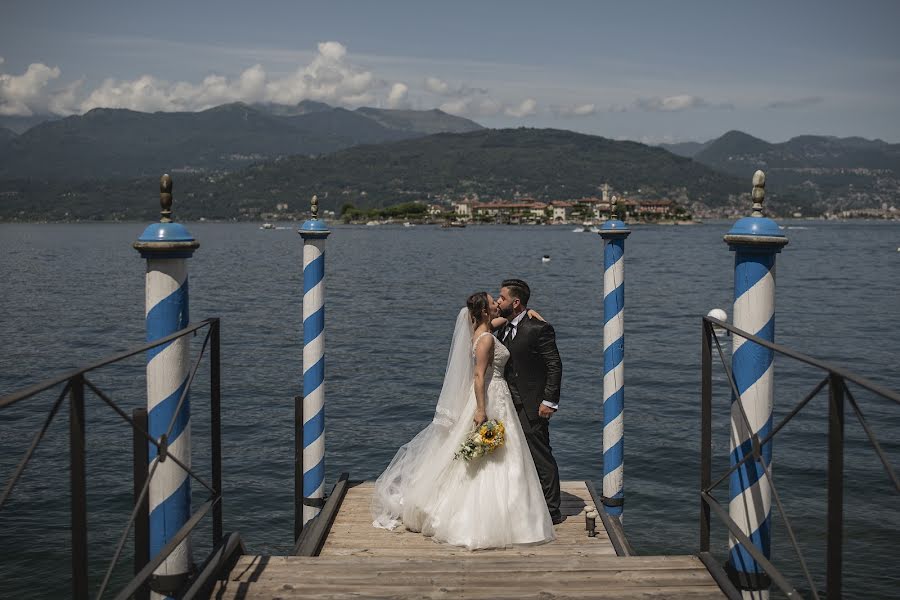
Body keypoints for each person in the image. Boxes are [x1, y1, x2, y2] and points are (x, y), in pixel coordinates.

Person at [371, 292, 555, 550]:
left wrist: (529, 314)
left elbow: (505, 321)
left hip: (495, 394)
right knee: (494, 455)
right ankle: (488, 518)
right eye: (493, 302)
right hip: (490, 395)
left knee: (497, 452)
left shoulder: (482, 331)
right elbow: (479, 376)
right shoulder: (487, 339)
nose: (497, 304)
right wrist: (481, 409)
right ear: (484, 311)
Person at [495, 279, 563, 524]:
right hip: (508, 402)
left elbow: (554, 365)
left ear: (515, 302)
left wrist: (549, 401)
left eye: (501, 297)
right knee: (516, 454)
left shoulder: (539, 328)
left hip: (532, 403)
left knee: (540, 454)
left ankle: (552, 510)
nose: (498, 300)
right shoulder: (503, 327)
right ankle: (527, 501)